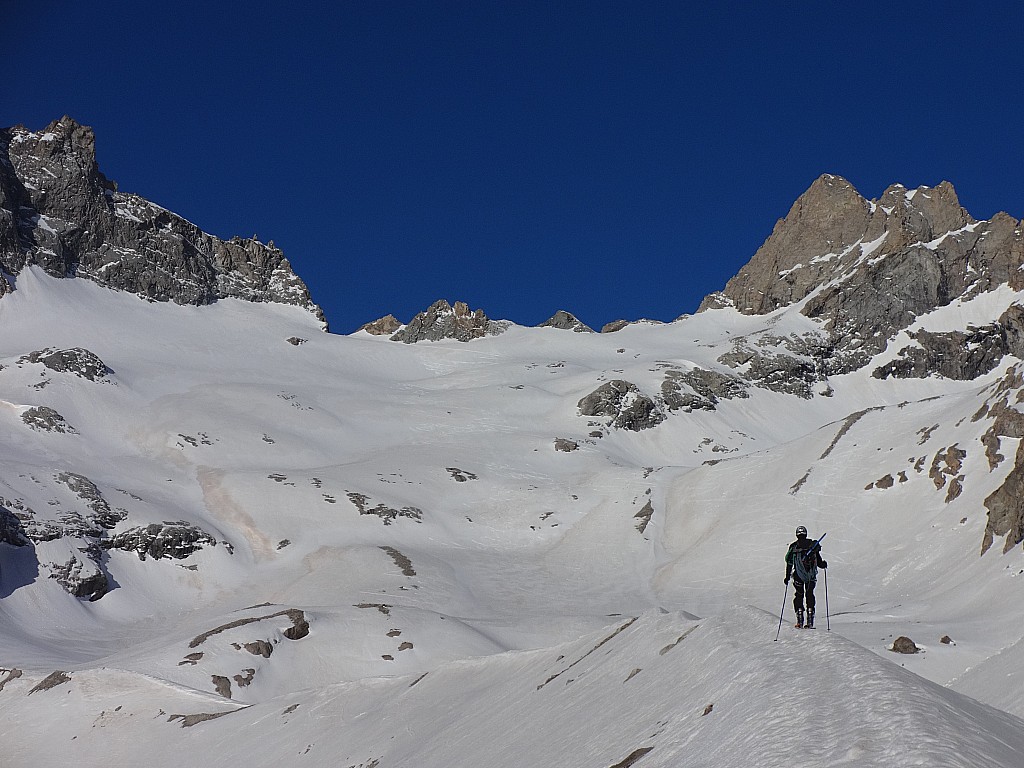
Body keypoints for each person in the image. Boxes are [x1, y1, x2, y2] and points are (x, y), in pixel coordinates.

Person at [784, 525, 827, 628]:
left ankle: (799, 619)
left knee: (799, 595)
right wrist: (823, 564)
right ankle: (810, 620)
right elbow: (819, 561)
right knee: (809, 594)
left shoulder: (794, 547)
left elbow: (790, 562)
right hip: (810, 576)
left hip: (798, 576)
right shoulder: (812, 546)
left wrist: (787, 576)